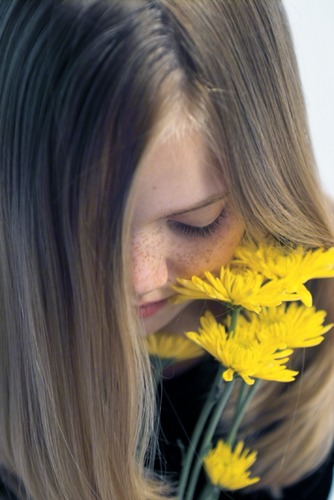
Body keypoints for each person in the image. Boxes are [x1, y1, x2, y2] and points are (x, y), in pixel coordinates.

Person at [0, 0, 333, 498]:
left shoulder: (311, 341)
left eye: (196, 222)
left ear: (268, 193)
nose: (140, 277)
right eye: (90, 231)